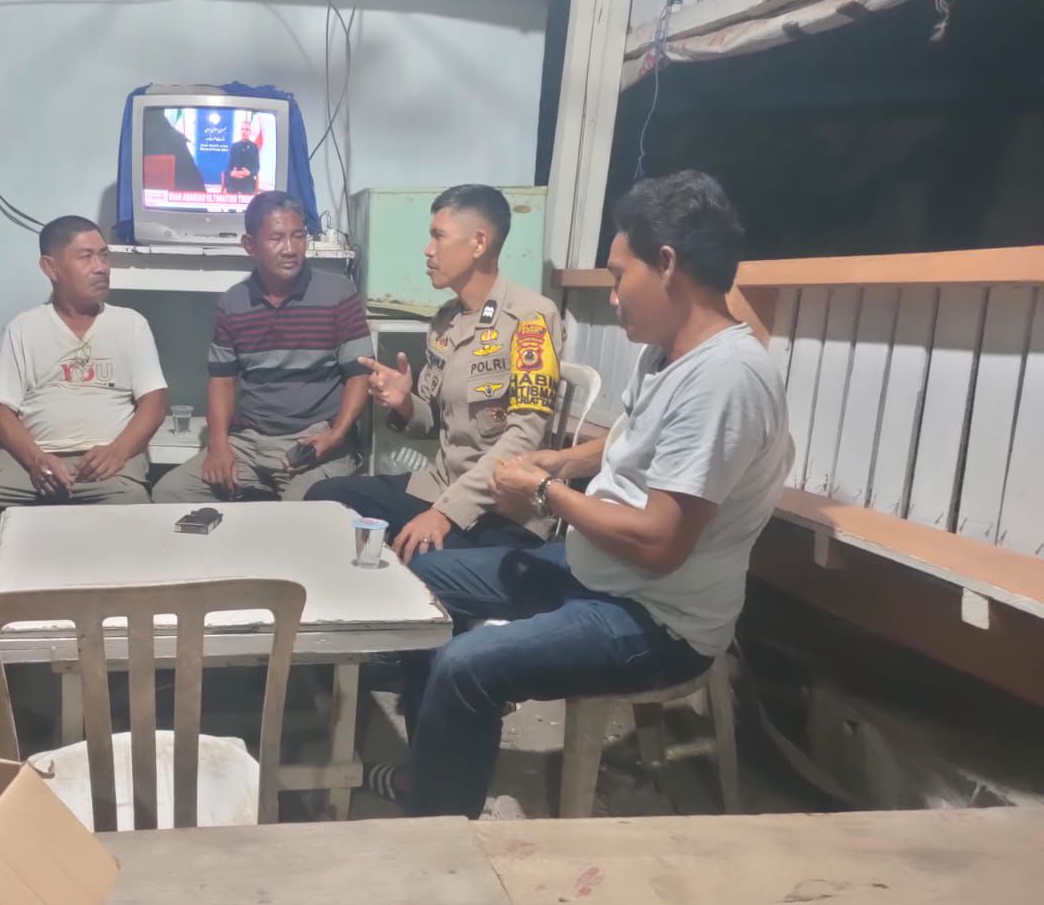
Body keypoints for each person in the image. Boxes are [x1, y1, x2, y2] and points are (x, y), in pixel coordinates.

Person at [400, 170, 794, 819]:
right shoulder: (667, 353)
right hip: (596, 569)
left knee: (466, 665)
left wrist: (546, 488)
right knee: (417, 578)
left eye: (617, 276)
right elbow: (634, 440)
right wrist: (564, 459)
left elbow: (660, 544)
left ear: (667, 264)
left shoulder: (724, 381)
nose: (611, 296)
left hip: (655, 618)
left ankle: (439, 831)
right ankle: (438, 772)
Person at [309, 184, 562, 562]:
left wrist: (445, 513)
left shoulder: (530, 318)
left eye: (438, 236)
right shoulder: (446, 321)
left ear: (479, 243)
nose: (428, 250)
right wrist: (404, 403)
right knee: (324, 499)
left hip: (503, 510)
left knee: (420, 557)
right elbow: (431, 423)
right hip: (440, 486)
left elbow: (523, 440)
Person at [0, 215, 168, 529]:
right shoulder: (23, 329)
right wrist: (35, 459)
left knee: (136, 516)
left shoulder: (131, 324)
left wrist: (118, 453)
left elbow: (154, 404)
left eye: (104, 256)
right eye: (86, 257)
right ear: (50, 268)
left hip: (105, 461)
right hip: (32, 460)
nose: (101, 268)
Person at [153, 193, 371, 504]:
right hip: (249, 442)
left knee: (295, 516)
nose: (291, 249)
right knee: (169, 492)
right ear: (250, 245)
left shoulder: (338, 293)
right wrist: (219, 446)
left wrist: (335, 437)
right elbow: (222, 381)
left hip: (312, 441)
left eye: (299, 236)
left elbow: (360, 373)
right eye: (277, 238)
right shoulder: (233, 303)